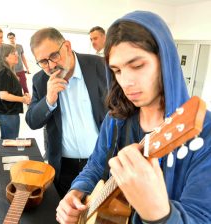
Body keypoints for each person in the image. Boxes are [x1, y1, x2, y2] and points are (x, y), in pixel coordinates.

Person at [56, 11, 211, 224]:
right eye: (117, 70)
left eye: (137, 66)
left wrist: (159, 214)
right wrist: (76, 191)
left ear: (165, 60)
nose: (126, 82)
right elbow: (96, 164)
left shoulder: (206, 132)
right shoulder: (115, 118)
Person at [25, 28, 107, 198]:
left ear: (67, 47)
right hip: (64, 167)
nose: (51, 65)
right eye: (43, 61)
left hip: (102, 163)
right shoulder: (40, 80)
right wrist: (48, 100)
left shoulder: (101, 66)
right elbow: (32, 121)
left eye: (54, 55)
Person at [0, 44, 31, 139]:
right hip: (7, 112)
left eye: (16, 53)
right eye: (13, 53)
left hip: (8, 112)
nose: (17, 55)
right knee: (10, 141)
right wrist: (23, 99)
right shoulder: (4, 72)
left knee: (7, 140)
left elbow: (10, 91)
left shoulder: (8, 72)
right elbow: (4, 95)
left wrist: (23, 95)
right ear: (5, 57)